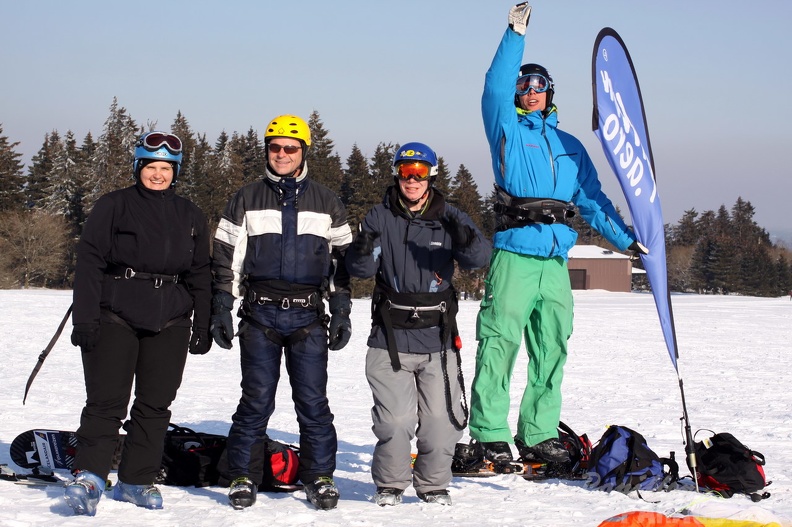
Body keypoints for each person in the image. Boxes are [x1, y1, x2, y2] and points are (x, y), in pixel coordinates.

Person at [470, 3, 648, 466]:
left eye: (540, 85)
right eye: (524, 86)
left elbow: (593, 200)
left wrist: (627, 242)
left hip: (555, 264)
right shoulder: (505, 129)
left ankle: (539, 432)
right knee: (499, 343)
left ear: (551, 93)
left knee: (552, 349)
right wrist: (514, 35)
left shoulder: (571, 147)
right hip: (515, 256)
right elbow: (492, 85)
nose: (532, 91)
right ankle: (490, 432)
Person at [209, 114, 353, 510]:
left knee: (313, 402)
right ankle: (242, 474)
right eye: (275, 148)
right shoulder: (246, 198)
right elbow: (226, 257)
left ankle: (319, 476)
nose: (283, 154)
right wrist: (222, 304)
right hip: (260, 316)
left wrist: (341, 308)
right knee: (255, 401)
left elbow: (342, 261)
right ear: (267, 151)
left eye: (291, 148)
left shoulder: (326, 201)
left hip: (308, 318)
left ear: (304, 151)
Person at [65, 131, 212, 516]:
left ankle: (135, 480)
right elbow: (90, 263)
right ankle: (92, 477)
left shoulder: (190, 214)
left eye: (166, 168)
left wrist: (203, 322)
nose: (158, 174)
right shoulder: (114, 205)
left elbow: (200, 272)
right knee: (106, 402)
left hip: (172, 319)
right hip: (115, 313)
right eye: (151, 167)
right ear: (138, 167)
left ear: (175, 171)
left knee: (155, 404)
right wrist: (85, 318)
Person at [346, 142, 491, 506]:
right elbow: (361, 271)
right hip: (389, 338)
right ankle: (391, 484)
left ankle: (433, 485)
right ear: (397, 175)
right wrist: (360, 250)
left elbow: (478, 259)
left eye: (420, 173)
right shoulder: (379, 216)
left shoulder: (450, 216)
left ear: (431, 177)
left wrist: (467, 237)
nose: (412, 180)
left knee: (442, 423)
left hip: (437, 339)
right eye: (407, 173)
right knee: (395, 421)